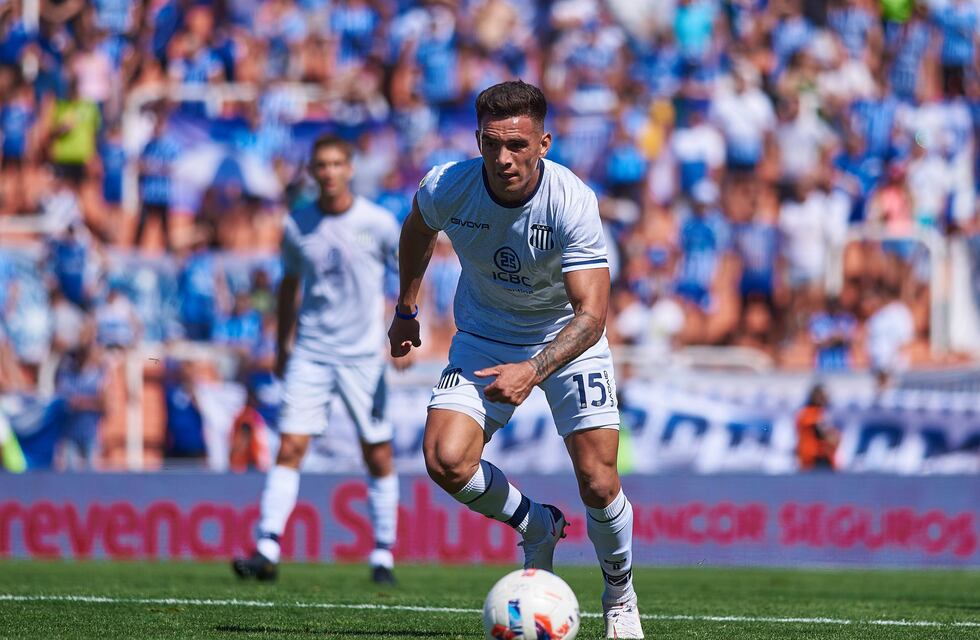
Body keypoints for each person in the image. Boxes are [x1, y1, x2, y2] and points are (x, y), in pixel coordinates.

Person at [388, 81, 643, 638]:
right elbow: (417, 228)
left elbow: (592, 314)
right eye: (492, 144)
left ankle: (619, 597)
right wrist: (407, 306)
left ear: (543, 143)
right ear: (478, 140)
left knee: (598, 482)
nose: (504, 158)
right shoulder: (448, 186)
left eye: (518, 146)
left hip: (567, 335)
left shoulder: (571, 200)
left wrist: (535, 369)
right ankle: (536, 523)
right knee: (445, 459)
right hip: (484, 334)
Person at [233, 134, 401, 585]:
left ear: (350, 168)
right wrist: (283, 345)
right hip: (311, 350)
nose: (328, 172)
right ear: (312, 172)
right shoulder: (297, 224)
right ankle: (267, 546)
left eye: (335, 164)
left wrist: (405, 330)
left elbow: (407, 273)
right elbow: (288, 285)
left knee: (377, 453)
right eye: (320, 165)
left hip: (363, 356)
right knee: (290, 446)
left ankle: (383, 553)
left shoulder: (380, 223)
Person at [795, 384, 840, 471]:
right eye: (823, 395)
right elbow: (825, 434)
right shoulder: (809, 413)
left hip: (822, 458)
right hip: (814, 459)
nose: (826, 398)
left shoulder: (821, 413)